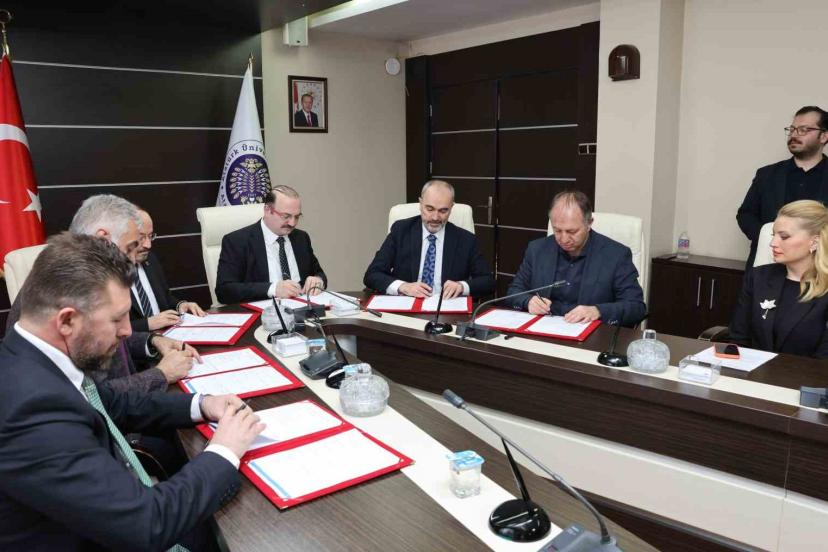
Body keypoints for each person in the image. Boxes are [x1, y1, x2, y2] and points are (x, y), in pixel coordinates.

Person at [0, 232, 264, 550]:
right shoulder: (30, 410)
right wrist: (225, 449)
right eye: (117, 319)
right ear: (67, 321)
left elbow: (113, 403)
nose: (128, 331)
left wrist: (202, 404)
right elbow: (147, 525)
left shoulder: (31, 358)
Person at [6, 194, 197, 393]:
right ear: (103, 239)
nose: (133, 260)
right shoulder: (68, 288)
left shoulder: (85, 274)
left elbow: (111, 341)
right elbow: (96, 397)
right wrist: (161, 374)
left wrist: (152, 341)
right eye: (129, 249)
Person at [506, 191, 646, 327]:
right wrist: (528, 301)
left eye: (571, 231)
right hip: (544, 330)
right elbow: (514, 291)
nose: (564, 239)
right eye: (557, 230)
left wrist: (598, 311)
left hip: (591, 335)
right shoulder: (537, 249)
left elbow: (636, 307)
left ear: (589, 223)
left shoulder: (616, 255)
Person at [729, 200, 828, 358]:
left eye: (784, 237)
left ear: (814, 242)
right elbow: (738, 339)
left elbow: (823, 360)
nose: (772, 243)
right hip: (753, 370)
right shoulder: (758, 277)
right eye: (773, 235)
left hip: (807, 373)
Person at [363, 180, 495, 299]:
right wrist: (403, 286)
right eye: (430, 209)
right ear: (420, 204)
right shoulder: (401, 230)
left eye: (443, 211)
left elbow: (488, 281)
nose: (435, 217)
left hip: (446, 308)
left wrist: (461, 286)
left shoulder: (466, 240)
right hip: (407, 305)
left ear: (451, 208)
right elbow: (372, 274)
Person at [737, 106, 828, 267]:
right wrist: (771, 239)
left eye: (803, 130)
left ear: (824, 136)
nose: (794, 135)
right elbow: (746, 214)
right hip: (767, 267)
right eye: (792, 129)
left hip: (819, 268)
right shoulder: (766, 174)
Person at [216, 185, 327, 304]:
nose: (292, 223)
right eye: (286, 216)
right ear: (268, 210)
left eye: (297, 217)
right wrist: (273, 289)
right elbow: (224, 291)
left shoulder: (301, 238)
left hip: (302, 309)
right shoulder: (237, 241)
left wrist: (318, 280)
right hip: (263, 311)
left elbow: (319, 273)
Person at [130, 208, 206, 332]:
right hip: (138, 342)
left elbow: (165, 298)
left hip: (169, 334)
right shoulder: (105, 274)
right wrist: (147, 324)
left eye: (150, 236)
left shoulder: (150, 259)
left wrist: (181, 305)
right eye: (141, 237)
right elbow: (106, 331)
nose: (148, 245)